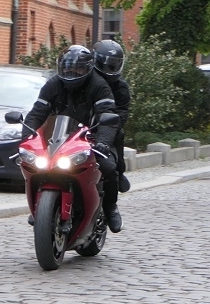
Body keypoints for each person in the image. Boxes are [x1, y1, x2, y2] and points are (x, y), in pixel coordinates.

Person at [21, 44, 122, 233]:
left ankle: (110, 207)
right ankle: (39, 206)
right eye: (67, 68)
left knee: (108, 167)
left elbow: (107, 116)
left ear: (88, 68)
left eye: (78, 69)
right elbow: (37, 113)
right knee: (32, 163)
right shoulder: (53, 84)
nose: (71, 73)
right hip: (59, 137)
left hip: (90, 137)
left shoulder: (99, 86)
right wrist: (27, 137)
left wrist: (103, 142)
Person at [92, 39, 131, 193]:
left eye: (114, 64)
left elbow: (122, 111)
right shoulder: (87, 81)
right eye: (107, 63)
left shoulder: (121, 86)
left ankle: (119, 172)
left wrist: (111, 125)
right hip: (81, 124)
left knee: (118, 135)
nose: (110, 67)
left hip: (107, 126)